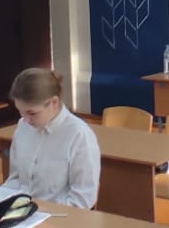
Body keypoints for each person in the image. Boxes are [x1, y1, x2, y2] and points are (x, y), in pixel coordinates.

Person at [6, 67, 100, 208]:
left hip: (59, 216)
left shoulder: (79, 135)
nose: (25, 120)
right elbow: (15, 179)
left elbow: (82, 199)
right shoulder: (23, 127)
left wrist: (42, 213)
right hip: (20, 211)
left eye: (32, 113)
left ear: (54, 102)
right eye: (20, 112)